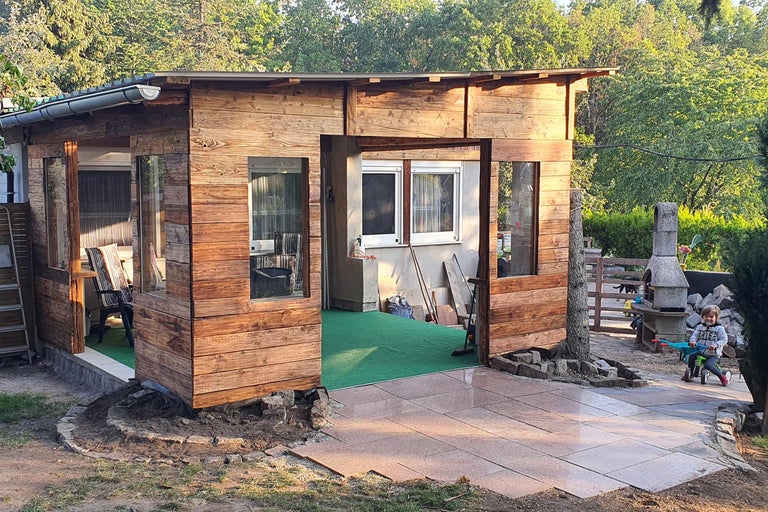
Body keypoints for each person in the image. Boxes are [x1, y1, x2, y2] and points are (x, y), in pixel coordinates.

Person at [682, 304, 729, 386]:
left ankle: (721, 376)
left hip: (713, 354)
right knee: (692, 356)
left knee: (708, 365)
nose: (708, 319)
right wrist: (693, 341)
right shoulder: (700, 327)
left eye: (711, 317)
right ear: (702, 317)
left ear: (716, 318)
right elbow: (695, 335)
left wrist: (715, 345)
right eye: (706, 316)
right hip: (702, 351)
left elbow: (724, 339)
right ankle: (691, 373)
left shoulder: (719, 328)